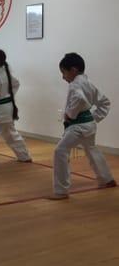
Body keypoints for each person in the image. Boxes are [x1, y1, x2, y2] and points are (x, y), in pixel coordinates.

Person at [49, 53, 116, 200]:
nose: (63, 77)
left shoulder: (75, 85)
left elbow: (79, 99)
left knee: (60, 151)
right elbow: (105, 103)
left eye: (64, 72)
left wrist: (70, 114)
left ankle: (61, 191)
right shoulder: (89, 83)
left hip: (78, 126)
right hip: (89, 125)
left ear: (73, 70)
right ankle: (106, 179)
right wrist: (94, 117)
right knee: (91, 149)